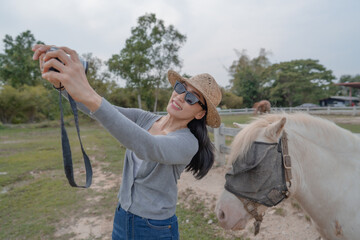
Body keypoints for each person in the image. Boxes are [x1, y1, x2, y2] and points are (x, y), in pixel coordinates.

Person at [32, 44, 222, 240]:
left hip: (155, 229)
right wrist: (61, 84)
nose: (181, 96)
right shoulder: (144, 118)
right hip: (122, 218)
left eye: (191, 98)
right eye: (181, 88)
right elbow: (97, 109)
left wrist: (88, 91)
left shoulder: (188, 143)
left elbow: (148, 146)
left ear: (200, 113)